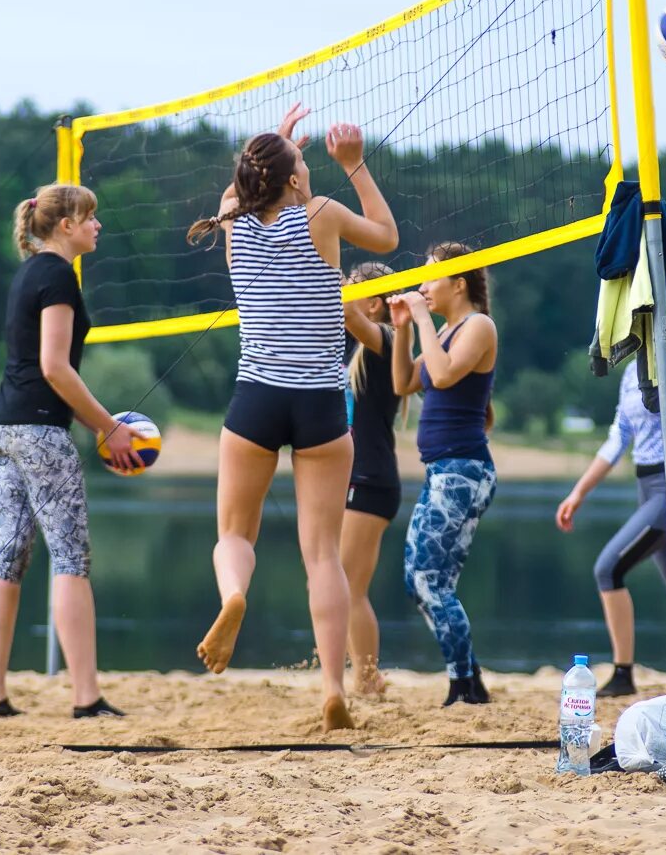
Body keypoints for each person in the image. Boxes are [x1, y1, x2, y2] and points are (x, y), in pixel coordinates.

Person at [186, 102, 397, 732]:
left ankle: (234, 597)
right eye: (300, 164)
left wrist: (275, 146)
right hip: (321, 405)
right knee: (323, 556)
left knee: (234, 535)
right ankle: (333, 687)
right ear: (296, 182)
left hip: (257, 396)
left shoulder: (232, 220)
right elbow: (385, 237)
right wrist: (354, 165)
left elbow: (239, 186)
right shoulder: (321, 215)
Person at [0, 183, 144, 719]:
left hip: (1, 425)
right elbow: (54, 366)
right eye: (90, 217)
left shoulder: (28, 271)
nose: (98, 226)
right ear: (64, 225)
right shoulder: (57, 275)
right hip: (40, 430)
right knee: (70, 558)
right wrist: (107, 426)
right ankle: (86, 697)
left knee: (6, 557)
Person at [389, 242, 498, 707]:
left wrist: (421, 317)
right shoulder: (449, 329)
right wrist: (400, 331)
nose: (422, 287)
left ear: (459, 283)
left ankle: (462, 685)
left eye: (430, 278)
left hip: (463, 470)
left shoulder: (477, 327)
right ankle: (470, 678)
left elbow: (446, 373)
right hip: (442, 470)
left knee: (426, 580)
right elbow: (403, 383)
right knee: (426, 580)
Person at [554, 346, 666, 697]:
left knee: (608, 569)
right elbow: (619, 436)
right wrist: (578, 493)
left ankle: (624, 672)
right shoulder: (632, 374)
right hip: (647, 486)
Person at [339, 260, 402, 696]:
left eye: (352, 286)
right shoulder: (346, 344)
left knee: (349, 587)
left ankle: (368, 681)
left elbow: (343, 310)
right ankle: (355, 677)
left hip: (371, 476)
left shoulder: (388, 340)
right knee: (332, 582)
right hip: (348, 475)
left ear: (374, 302)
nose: (342, 290)